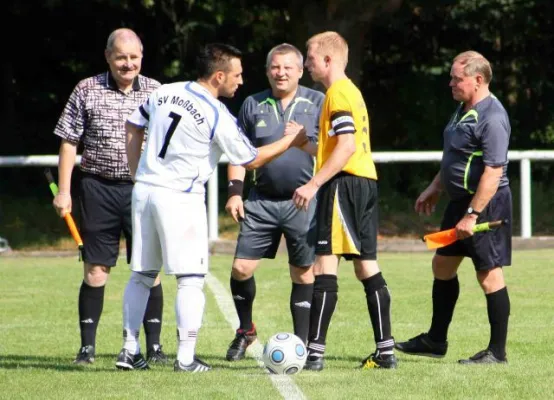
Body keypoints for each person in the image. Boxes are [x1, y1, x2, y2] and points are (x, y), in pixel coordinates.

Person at [117, 43, 308, 372]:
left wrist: (138, 174)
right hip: (180, 197)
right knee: (190, 278)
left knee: (142, 274)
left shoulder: (166, 91)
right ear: (219, 76)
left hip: (145, 191)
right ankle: (186, 358)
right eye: (236, 74)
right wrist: (291, 141)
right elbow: (251, 160)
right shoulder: (216, 112)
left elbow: (133, 126)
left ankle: (129, 350)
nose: (241, 80)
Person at [52, 28, 167, 366]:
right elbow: (69, 142)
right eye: (120, 57)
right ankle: (87, 348)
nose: (127, 64)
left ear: (141, 56)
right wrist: (64, 191)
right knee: (96, 270)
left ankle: (155, 348)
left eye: (133, 57)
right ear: (108, 57)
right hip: (97, 188)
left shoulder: (158, 92)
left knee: (149, 269)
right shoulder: (86, 89)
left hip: (143, 190)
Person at [285, 31, 397, 371]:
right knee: (366, 266)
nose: (307, 63)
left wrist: (313, 184)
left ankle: (315, 355)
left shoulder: (337, 94)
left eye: (311, 57)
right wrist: (304, 144)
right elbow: (337, 147)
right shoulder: (351, 93)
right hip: (364, 182)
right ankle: (386, 352)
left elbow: (346, 146)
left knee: (324, 265)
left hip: (343, 185)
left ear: (328, 60)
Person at [395, 51, 512, 365]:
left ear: (477, 80)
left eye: (456, 78)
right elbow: (456, 157)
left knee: (489, 275)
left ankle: (497, 353)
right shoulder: (463, 109)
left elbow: (493, 171)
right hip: (459, 201)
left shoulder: (492, 116)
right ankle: (435, 340)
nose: (450, 83)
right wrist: (435, 187)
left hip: (485, 204)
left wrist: (472, 214)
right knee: (442, 265)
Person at [224, 43, 324, 362]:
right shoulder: (253, 104)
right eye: (274, 68)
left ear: (299, 71)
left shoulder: (318, 101)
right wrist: (235, 191)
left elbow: (338, 148)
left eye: (287, 68)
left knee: (304, 273)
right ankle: (246, 330)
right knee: (241, 268)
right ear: (268, 71)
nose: (280, 73)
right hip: (262, 201)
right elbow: (239, 153)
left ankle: (303, 345)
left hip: (304, 200)